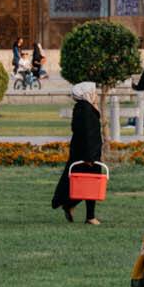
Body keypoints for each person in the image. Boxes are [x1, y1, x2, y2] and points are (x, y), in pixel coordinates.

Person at [53, 80, 103, 226]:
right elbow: (87, 134)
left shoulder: (83, 107)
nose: (96, 95)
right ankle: (88, 215)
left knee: (85, 184)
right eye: (93, 93)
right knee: (90, 185)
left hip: (86, 152)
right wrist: (89, 157)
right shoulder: (86, 110)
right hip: (87, 154)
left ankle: (73, 206)